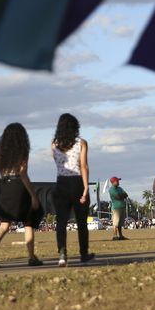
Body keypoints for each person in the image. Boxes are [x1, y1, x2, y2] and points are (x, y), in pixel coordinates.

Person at [0, 123, 43, 268]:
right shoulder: (22, 151)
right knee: (28, 222)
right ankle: (31, 257)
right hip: (19, 186)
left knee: (4, 224)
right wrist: (33, 195)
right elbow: (23, 173)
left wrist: (0, 179)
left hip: (5, 186)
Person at [51, 113, 93, 266]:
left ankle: (62, 253)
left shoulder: (54, 144)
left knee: (61, 221)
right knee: (81, 221)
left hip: (61, 182)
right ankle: (83, 253)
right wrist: (86, 188)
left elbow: (57, 163)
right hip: (76, 181)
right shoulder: (81, 143)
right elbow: (83, 166)